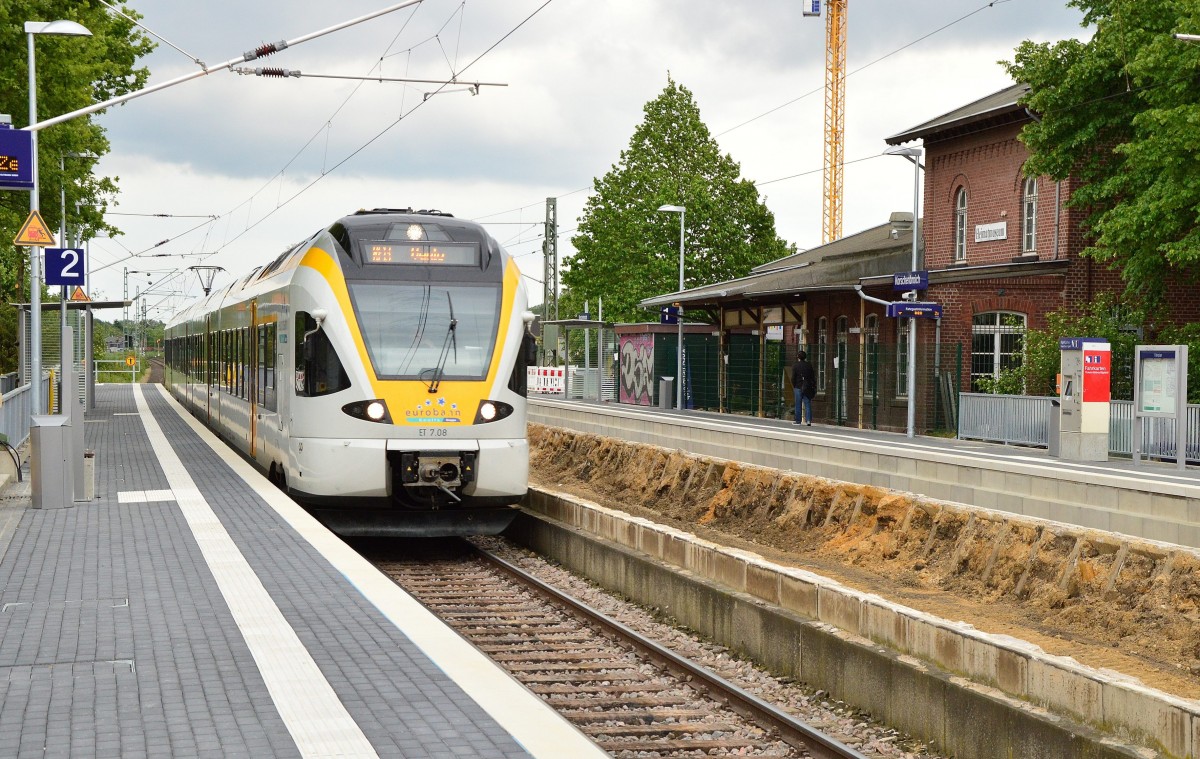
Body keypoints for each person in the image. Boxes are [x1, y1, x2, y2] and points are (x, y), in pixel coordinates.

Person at [791, 350, 816, 425]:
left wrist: (794, 385)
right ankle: (808, 420)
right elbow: (812, 376)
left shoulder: (795, 365)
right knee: (807, 403)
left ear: (798, 357)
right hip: (807, 386)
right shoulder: (809, 365)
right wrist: (813, 385)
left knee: (798, 404)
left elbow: (793, 377)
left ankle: (798, 421)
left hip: (798, 386)